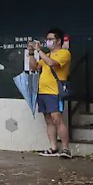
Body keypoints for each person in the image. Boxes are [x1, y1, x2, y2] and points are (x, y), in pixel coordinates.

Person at [28, 29, 72, 158]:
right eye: (47, 39)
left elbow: (52, 64)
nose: (47, 41)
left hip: (55, 92)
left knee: (57, 119)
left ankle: (65, 149)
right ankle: (53, 147)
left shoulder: (64, 53)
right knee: (48, 120)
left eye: (50, 39)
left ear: (58, 41)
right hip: (43, 92)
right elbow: (34, 67)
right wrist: (31, 54)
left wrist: (39, 51)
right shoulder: (47, 55)